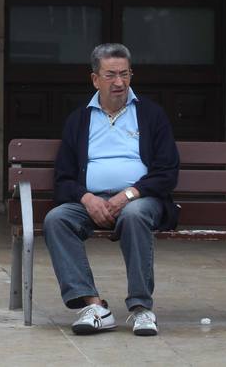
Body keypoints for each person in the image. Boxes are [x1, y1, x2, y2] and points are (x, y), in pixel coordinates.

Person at [43, 42, 180, 337]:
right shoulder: (79, 120)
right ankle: (93, 306)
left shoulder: (151, 115)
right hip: (91, 202)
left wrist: (129, 194)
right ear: (95, 79)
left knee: (134, 215)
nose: (119, 82)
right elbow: (64, 178)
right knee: (57, 219)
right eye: (110, 75)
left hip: (140, 200)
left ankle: (142, 309)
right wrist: (87, 198)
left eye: (125, 74)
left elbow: (167, 173)